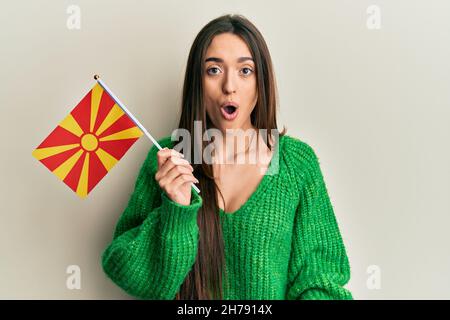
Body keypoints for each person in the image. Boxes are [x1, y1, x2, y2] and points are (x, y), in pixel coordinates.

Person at [101, 14, 353, 300]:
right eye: (213, 71)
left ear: (262, 82)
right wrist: (176, 211)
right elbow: (132, 273)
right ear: (198, 82)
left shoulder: (296, 163)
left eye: (245, 71)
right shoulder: (167, 159)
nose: (229, 86)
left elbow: (318, 279)